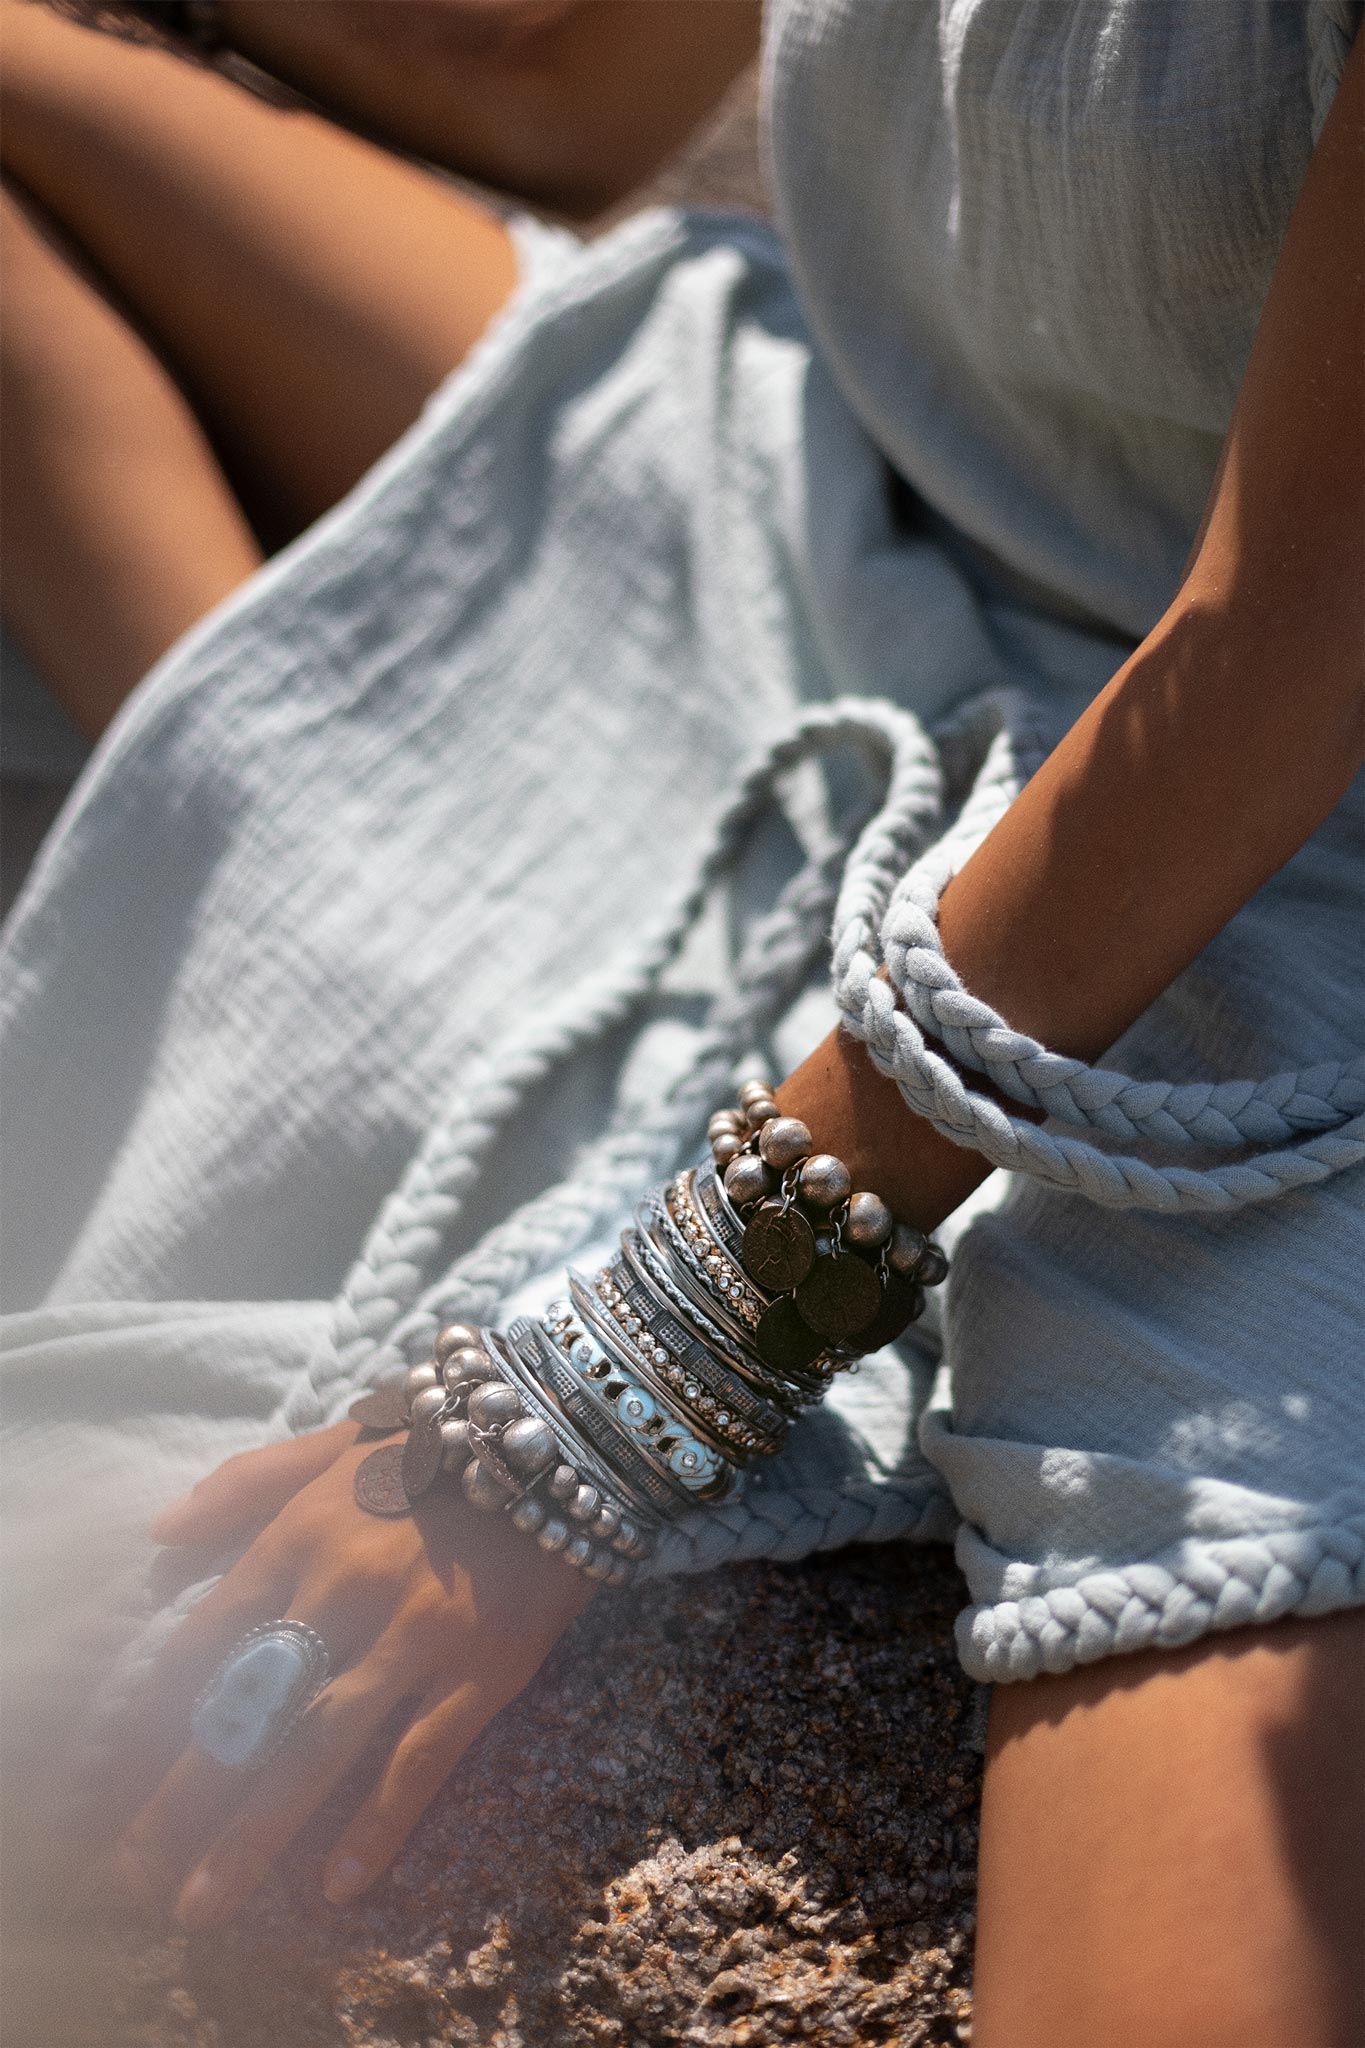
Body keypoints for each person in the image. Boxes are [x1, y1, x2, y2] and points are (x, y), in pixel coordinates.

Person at [1, 4, 1361, 2044]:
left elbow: (1284, 651)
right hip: (859, 489)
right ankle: (325, 823)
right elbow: (572, 93)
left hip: (1274, 847)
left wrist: (656, 1348)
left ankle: (356, 826)